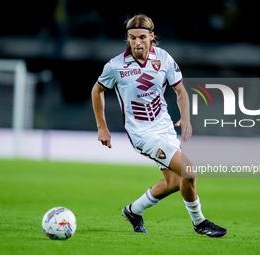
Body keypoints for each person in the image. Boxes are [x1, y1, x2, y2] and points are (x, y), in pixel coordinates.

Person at [91, 14, 227, 238]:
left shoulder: (162, 58)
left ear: (151, 37)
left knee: (174, 182)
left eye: (142, 37)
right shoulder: (115, 66)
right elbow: (97, 90)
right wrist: (101, 127)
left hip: (164, 128)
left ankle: (133, 211)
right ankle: (199, 223)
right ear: (127, 38)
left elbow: (180, 90)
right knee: (189, 171)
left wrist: (186, 118)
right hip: (142, 134)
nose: (137, 43)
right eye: (132, 38)